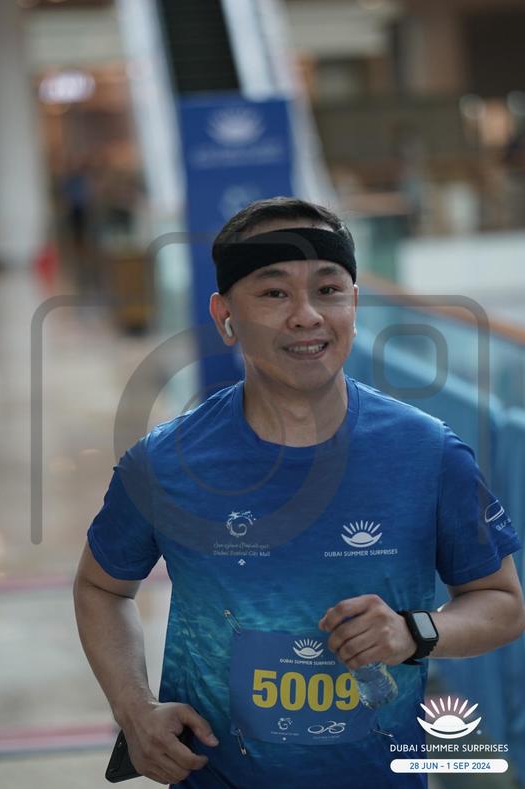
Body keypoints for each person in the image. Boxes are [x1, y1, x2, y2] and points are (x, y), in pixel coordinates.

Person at [74, 196, 525, 788]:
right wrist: (134, 709)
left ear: (354, 305)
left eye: (328, 290)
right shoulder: (165, 463)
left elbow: (502, 602)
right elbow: (100, 587)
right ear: (225, 315)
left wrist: (414, 632)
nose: (307, 315)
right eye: (274, 292)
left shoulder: (429, 452)